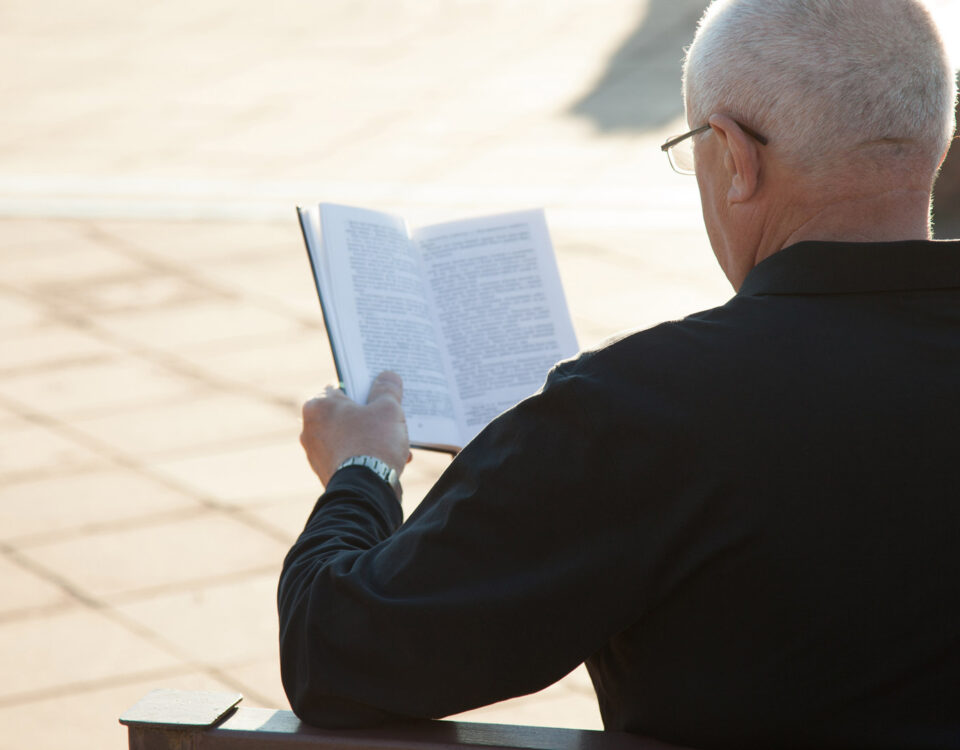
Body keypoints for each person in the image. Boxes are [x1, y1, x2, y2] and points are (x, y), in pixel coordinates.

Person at [279, 0, 960, 746]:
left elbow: (335, 651)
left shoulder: (646, 409)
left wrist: (364, 468)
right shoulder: (644, 410)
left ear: (735, 156)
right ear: (934, 138)